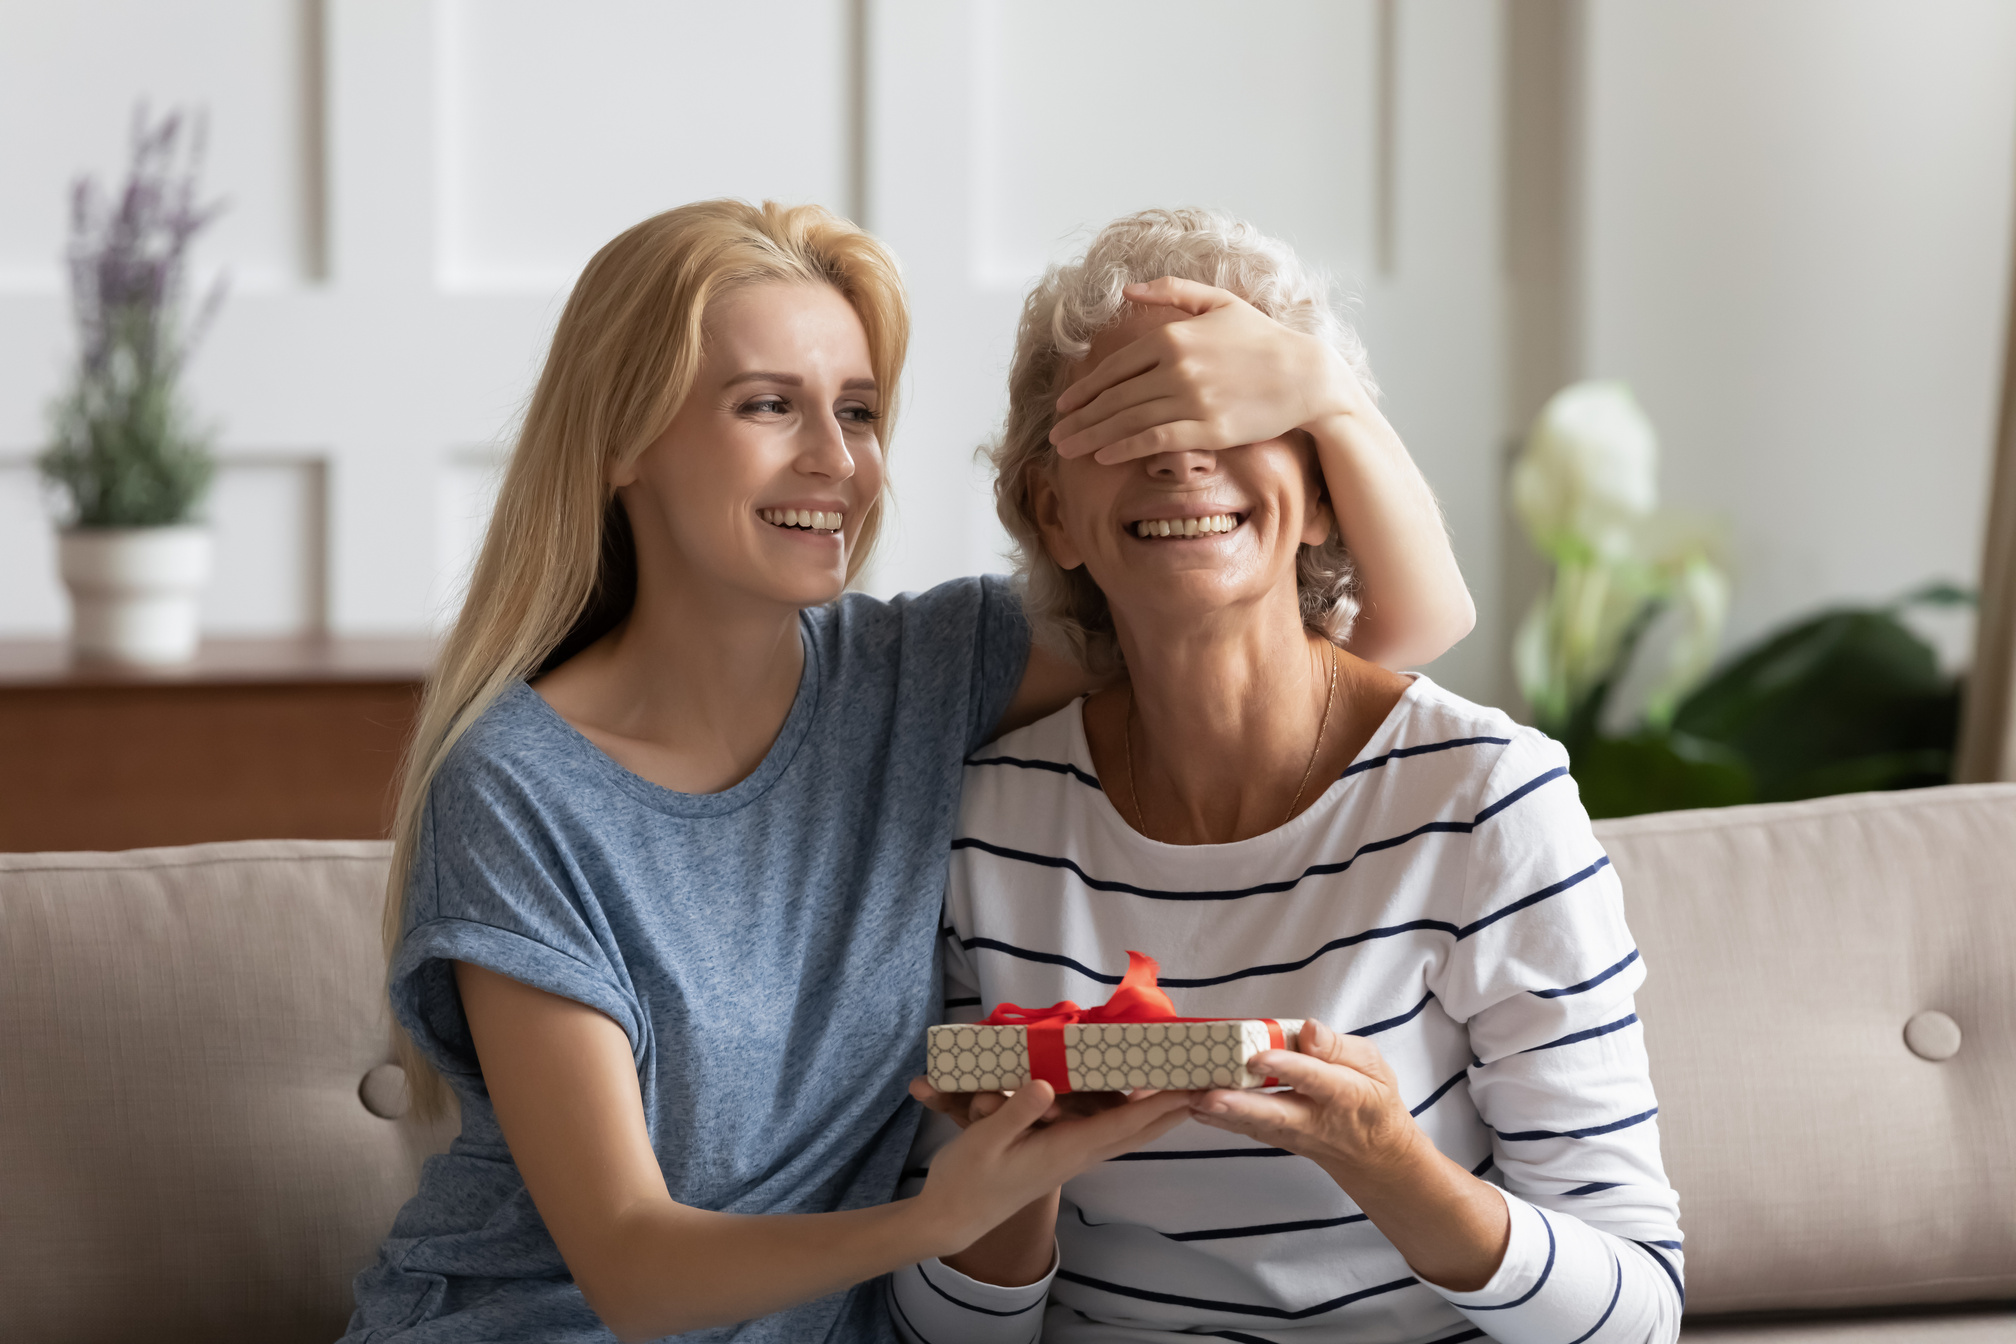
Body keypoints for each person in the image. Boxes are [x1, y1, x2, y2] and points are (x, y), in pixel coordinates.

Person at [341, 199, 1475, 1344]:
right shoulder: (519, 787)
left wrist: (1320, 392)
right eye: (769, 406)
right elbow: (635, 1271)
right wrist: (943, 1218)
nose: (834, 461)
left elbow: (1392, 631)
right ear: (623, 443)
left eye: (859, 410)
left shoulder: (925, 671)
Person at [896, 209, 1683, 1344]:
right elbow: (950, 1334)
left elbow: (1640, 1315)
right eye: (1121, 418)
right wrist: (1010, 1180)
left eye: (1234, 411)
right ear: (1051, 512)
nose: (1177, 451)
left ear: (1323, 495)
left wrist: (1394, 1166)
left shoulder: (1486, 800)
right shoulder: (992, 819)